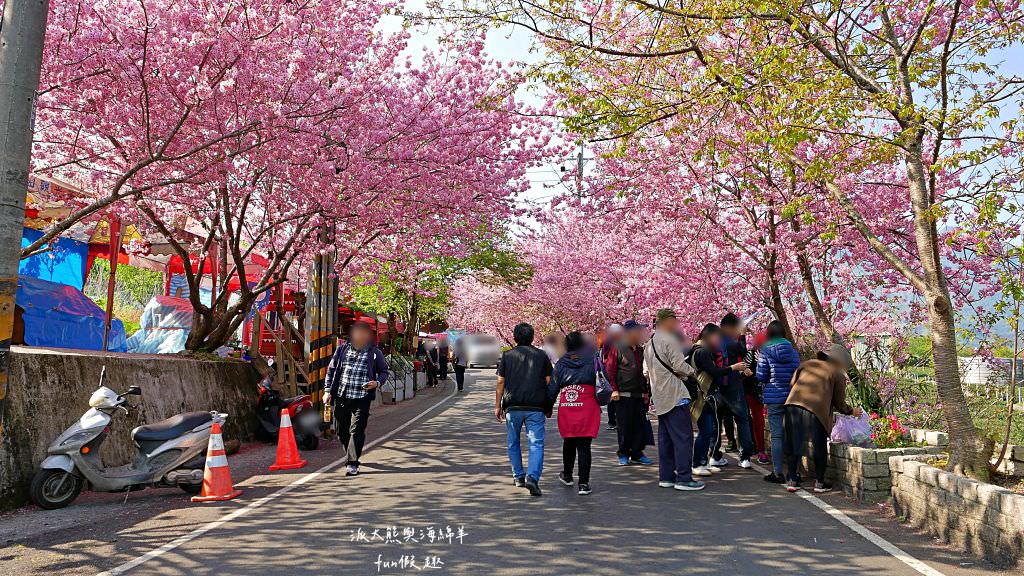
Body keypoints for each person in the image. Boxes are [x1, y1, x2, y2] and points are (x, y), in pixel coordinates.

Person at [783, 343, 862, 493]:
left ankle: (792, 480)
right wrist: (851, 411)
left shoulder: (806, 364)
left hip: (792, 406)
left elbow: (792, 384)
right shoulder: (837, 374)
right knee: (819, 445)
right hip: (815, 411)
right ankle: (819, 483)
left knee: (792, 443)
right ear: (839, 361)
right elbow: (838, 402)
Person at [643, 309, 705, 491]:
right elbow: (679, 365)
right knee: (684, 438)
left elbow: (645, 372)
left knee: (666, 440)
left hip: (660, 398)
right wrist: (692, 372)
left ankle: (666, 476)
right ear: (667, 321)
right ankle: (684, 478)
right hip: (675, 395)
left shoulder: (649, 344)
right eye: (674, 320)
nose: (677, 323)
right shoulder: (670, 340)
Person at [496, 323, 554, 496]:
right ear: (532, 336)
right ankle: (533, 478)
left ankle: (518, 476)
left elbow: (500, 382)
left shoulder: (507, 356)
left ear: (515, 337)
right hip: (536, 406)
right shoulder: (542, 356)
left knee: (513, 442)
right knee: (536, 443)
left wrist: (497, 405)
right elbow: (549, 381)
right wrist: (548, 405)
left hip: (512, 406)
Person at [323, 321, 388, 476]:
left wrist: (377, 383)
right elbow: (331, 370)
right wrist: (327, 390)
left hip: (362, 397)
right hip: (342, 395)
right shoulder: (342, 350)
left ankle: (352, 463)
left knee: (357, 430)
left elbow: (384, 372)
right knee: (341, 431)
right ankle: (351, 453)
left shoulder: (374, 353)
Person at [689, 323, 747, 476]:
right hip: (703, 396)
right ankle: (697, 463)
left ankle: (704, 461)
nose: (718, 340)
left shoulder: (700, 349)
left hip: (705, 395)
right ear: (708, 335)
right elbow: (714, 371)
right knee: (705, 431)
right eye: (716, 337)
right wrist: (732, 368)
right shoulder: (702, 352)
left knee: (708, 430)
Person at [551, 331, 601, 496]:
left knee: (569, 440)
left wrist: (547, 406)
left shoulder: (560, 364)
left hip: (568, 404)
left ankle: (567, 475)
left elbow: (553, 388)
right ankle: (584, 484)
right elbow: (603, 380)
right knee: (584, 446)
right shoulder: (593, 360)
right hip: (588, 404)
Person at [756, 320, 802, 483]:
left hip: (774, 398)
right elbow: (798, 374)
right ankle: (795, 473)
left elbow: (761, 376)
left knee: (777, 436)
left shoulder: (765, 351)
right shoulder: (793, 351)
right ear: (784, 334)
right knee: (793, 435)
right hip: (792, 397)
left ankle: (777, 473)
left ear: (769, 334)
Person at [605, 319, 653, 466]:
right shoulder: (618, 348)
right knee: (624, 426)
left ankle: (637, 453)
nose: (640, 333)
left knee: (638, 424)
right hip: (622, 394)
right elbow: (610, 371)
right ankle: (623, 452)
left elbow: (643, 372)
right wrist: (614, 389)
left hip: (639, 394)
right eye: (638, 331)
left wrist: (646, 392)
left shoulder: (640, 349)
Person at [717, 313, 756, 469]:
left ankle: (715, 455)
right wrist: (742, 335)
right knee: (742, 420)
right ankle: (745, 457)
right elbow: (741, 350)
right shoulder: (728, 340)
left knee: (716, 421)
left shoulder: (713, 340)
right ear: (729, 327)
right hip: (732, 386)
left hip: (717, 386)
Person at [744, 331, 769, 464]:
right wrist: (746, 370)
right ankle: (760, 450)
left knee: (760, 420)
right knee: (758, 421)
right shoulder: (751, 354)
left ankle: (759, 448)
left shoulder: (772, 354)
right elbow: (743, 367)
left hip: (770, 391)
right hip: (753, 392)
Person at [601, 323, 624, 430]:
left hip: (610, 369)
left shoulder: (609, 341)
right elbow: (605, 357)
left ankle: (613, 421)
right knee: (613, 396)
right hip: (611, 369)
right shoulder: (610, 342)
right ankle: (613, 421)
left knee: (613, 397)